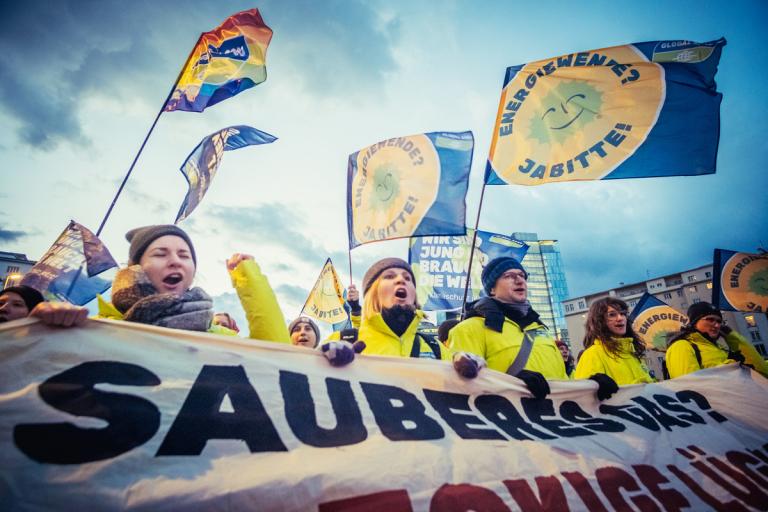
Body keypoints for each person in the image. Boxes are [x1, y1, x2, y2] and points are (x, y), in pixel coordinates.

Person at [323, 258, 485, 378]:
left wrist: (475, 370)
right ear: (372, 293)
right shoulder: (343, 341)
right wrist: (325, 362)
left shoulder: (434, 348)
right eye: (389, 276)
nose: (401, 280)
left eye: (408, 279)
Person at [449, 256, 567, 399]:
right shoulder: (469, 329)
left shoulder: (540, 329)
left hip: (554, 417)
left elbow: (564, 379)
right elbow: (461, 385)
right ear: (492, 289)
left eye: (522, 275)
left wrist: (590, 386)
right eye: (509, 276)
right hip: (507, 418)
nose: (519, 280)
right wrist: (511, 381)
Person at [666, 301, 768, 379]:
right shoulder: (681, 346)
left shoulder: (721, 348)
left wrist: (732, 336)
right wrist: (730, 368)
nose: (717, 325)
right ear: (694, 322)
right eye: (710, 319)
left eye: (719, 321)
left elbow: (763, 370)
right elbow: (689, 388)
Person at [574, 298, 653, 393]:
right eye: (612, 315)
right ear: (599, 321)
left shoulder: (632, 353)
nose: (620, 318)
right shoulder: (591, 355)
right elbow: (583, 396)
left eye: (623, 313)